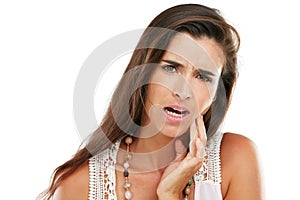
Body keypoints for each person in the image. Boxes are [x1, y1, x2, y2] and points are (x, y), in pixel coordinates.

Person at [38, 3, 263, 200]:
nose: (183, 91)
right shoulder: (80, 186)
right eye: (171, 68)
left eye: (202, 77)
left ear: (217, 93)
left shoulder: (235, 160)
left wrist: (169, 195)